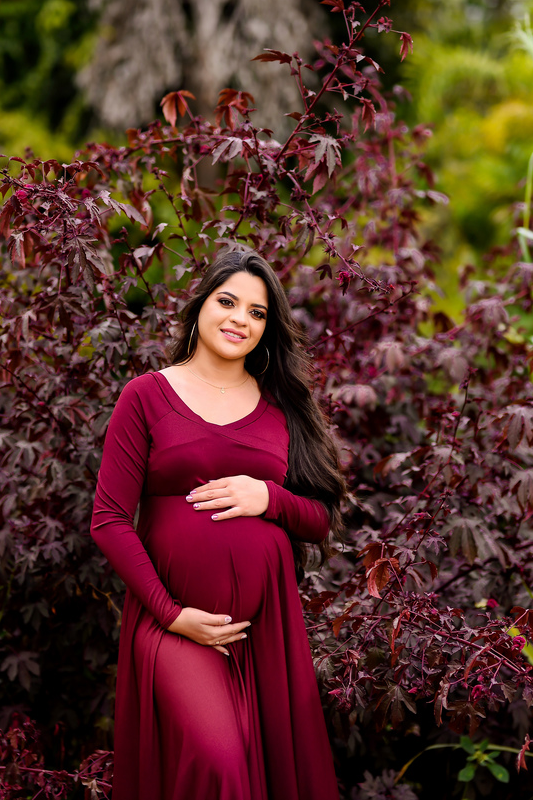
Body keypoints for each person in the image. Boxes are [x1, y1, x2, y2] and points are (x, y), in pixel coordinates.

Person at [90, 246, 347, 799]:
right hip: (176, 625)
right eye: (228, 301)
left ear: (267, 328)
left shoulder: (284, 407)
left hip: (265, 631)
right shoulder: (147, 396)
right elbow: (109, 520)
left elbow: (319, 519)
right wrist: (172, 614)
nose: (240, 320)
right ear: (200, 305)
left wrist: (268, 497)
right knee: (220, 762)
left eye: (257, 313)